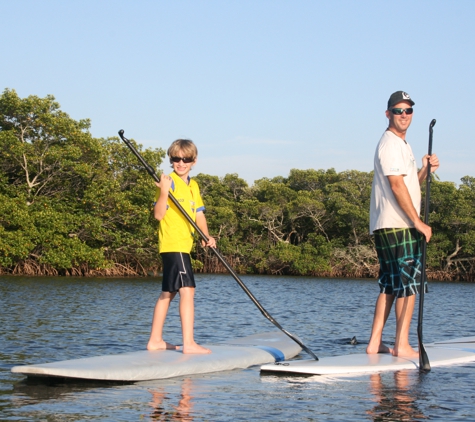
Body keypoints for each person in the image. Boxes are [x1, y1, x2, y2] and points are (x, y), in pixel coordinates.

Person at [366, 91, 439, 357]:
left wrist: (424, 171)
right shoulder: (391, 144)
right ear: (388, 114)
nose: (403, 115)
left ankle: (375, 344)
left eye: (407, 111)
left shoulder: (401, 145)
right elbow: (396, 186)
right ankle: (402, 345)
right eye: (398, 111)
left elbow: (408, 186)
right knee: (409, 286)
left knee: (389, 284)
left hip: (389, 224)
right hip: (399, 225)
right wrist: (418, 222)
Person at [147, 139, 216, 354]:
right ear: (171, 160)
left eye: (185, 159)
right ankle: (189, 344)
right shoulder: (168, 182)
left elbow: (199, 214)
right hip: (173, 243)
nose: (181, 162)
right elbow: (158, 215)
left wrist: (206, 236)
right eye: (176, 158)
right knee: (188, 290)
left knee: (169, 292)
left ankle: (155, 341)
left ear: (194, 161)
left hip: (184, 246)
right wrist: (164, 192)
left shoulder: (193, 186)